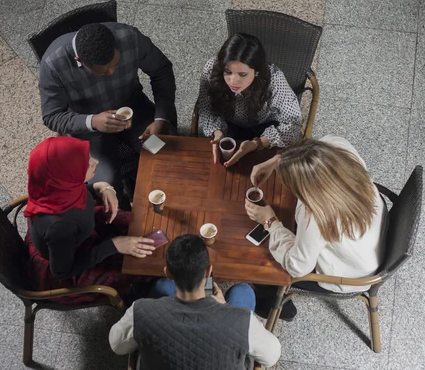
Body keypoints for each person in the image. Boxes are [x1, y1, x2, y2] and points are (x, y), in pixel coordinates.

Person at [245, 135, 386, 321]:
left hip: (351, 274)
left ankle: (281, 310)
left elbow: (298, 266)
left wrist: (270, 221)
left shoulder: (315, 216)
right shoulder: (340, 148)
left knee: (261, 266)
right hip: (371, 240)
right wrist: (278, 160)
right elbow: (314, 151)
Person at [39, 22, 177, 206]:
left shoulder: (130, 37)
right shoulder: (52, 66)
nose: (112, 72)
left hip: (134, 110)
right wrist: (93, 121)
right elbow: (52, 116)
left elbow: (161, 69)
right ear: (80, 60)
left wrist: (161, 118)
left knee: (164, 156)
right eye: (103, 72)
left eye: (116, 64)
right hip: (88, 130)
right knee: (107, 190)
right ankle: (125, 218)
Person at [109, 234, 281, 369]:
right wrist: (225, 308)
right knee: (243, 291)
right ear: (208, 272)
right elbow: (272, 356)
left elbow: (117, 346)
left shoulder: (141, 310)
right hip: (228, 326)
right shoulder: (243, 321)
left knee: (162, 287)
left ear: (168, 272)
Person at [24, 136, 156, 304]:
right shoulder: (60, 226)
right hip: (72, 261)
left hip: (77, 237)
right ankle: (134, 295)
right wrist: (114, 245)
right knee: (141, 263)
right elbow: (62, 272)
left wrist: (101, 187)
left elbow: (80, 190)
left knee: (143, 227)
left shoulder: (54, 183)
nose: (96, 161)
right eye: (85, 163)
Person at [197, 33, 302, 167]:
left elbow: (294, 123)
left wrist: (258, 143)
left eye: (242, 74)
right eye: (227, 72)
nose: (233, 81)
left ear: (256, 71)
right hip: (228, 125)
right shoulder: (211, 69)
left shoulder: (275, 80)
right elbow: (205, 107)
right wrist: (217, 133)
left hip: (264, 128)